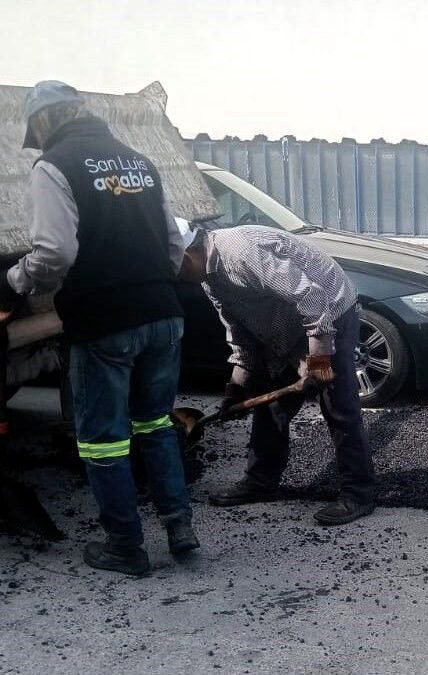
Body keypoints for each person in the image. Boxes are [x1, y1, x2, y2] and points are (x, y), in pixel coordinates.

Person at [0, 81, 198, 575]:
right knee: (155, 424)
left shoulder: (54, 165)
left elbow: (55, 253)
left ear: (44, 121)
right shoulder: (140, 161)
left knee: (104, 440)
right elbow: (174, 244)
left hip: (105, 322)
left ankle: (125, 548)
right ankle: (180, 529)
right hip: (164, 313)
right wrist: (149, 283)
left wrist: (14, 281)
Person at [176, 222, 376, 525]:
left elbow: (312, 298)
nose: (176, 279)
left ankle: (359, 492)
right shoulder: (208, 277)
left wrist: (319, 362)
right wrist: (236, 389)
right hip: (286, 324)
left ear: (187, 255)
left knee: (338, 406)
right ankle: (260, 481)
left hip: (330, 313)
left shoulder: (242, 253)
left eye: (175, 270)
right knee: (270, 406)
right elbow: (239, 332)